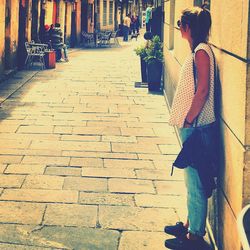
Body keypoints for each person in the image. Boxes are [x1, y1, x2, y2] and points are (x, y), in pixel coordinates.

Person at [165, 5, 218, 250]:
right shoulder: (198, 50)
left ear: (188, 28)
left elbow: (203, 90)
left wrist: (189, 120)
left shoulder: (201, 52)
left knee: (195, 182)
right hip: (194, 126)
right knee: (191, 181)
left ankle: (195, 237)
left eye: (180, 24)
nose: (179, 29)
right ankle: (189, 224)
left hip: (197, 127)